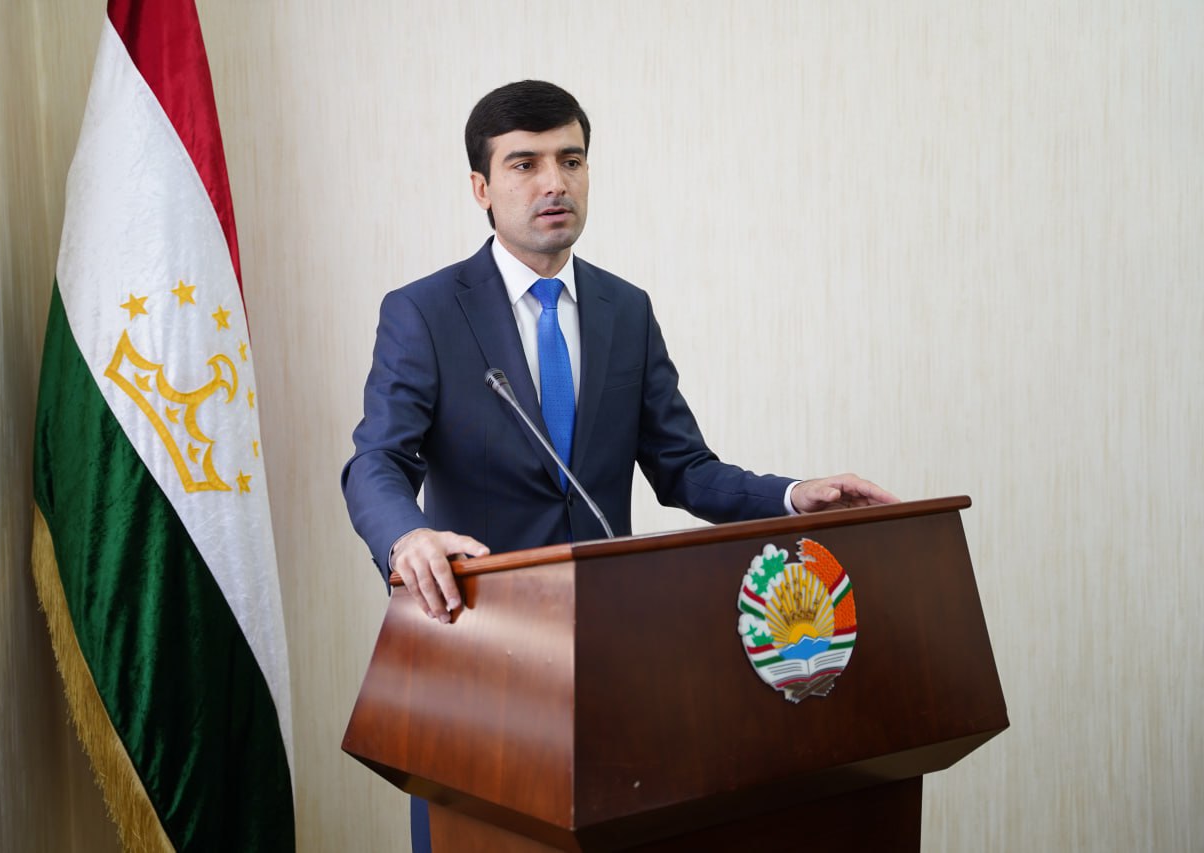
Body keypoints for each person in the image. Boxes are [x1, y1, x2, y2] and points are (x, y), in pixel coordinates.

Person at [341, 80, 896, 849]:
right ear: (481, 188)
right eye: (525, 164)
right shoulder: (426, 312)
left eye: (570, 160)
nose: (554, 182)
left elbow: (685, 468)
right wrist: (408, 538)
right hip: (477, 656)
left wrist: (795, 496)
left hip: (611, 660)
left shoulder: (624, 309)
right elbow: (376, 460)